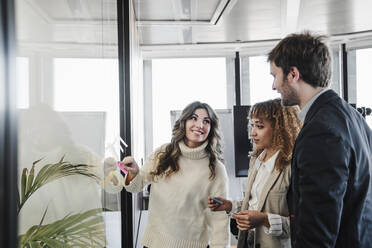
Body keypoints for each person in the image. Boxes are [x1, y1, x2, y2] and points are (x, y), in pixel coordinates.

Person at [268, 32, 372, 247]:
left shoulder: (320, 131)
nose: (274, 86)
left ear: (293, 74)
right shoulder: (353, 118)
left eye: (274, 76)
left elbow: (317, 229)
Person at [119, 101, 230, 248]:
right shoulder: (163, 153)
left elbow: (220, 219)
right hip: (154, 244)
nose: (200, 125)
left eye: (206, 121)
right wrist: (133, 173)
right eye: (194, 118)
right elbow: (135, 186)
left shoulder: (216, 169)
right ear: (184, 122)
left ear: (211, 128)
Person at [209, 98, 302, 248]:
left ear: (280, 128)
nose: (252, 133)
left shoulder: (294, 165)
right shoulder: (256, 160)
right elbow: (255, 206)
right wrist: (230, 206)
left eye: (259, 126)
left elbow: (304, 225)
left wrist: (265, 220)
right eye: (252, 125)